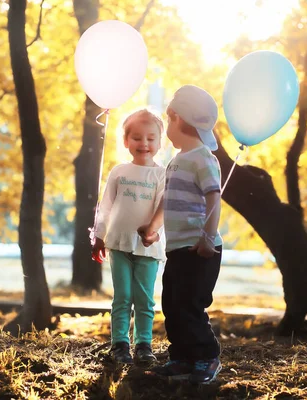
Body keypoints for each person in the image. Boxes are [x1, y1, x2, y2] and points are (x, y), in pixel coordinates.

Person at [139, 85, 223, 384]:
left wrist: (207, 237)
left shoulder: (203, 158)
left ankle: (206, 357)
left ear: (178, 119)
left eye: (169, 120)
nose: (167, 128)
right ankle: (181, 357)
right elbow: (168, 200)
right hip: (178, 248)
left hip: (200, 248)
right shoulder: (177, 160)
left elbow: (214, 198)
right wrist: (153, 227)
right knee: (172, 302)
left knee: (189, 303)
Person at [91, 108, 166, 366]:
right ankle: (119, 344)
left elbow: (162, 209)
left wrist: (153, 234)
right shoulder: (119, 172)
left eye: (150, 138)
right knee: (122, 296)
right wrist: (99, 236)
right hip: (119, 244)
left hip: (148, 248)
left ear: (159, 141)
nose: (143, 143)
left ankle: (144, 344)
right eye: (136, 137)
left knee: (144, 299)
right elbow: (107, 206)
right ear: (125, 141)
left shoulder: (161, 175)